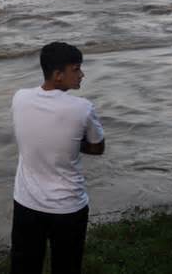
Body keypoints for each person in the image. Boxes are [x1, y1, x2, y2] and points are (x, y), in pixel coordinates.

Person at [10, 42, 105, 274]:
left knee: (24, 265)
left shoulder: (20, 97)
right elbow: (97, 147)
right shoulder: (82, 108)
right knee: (67, 265)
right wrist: (71, 143)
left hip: (26, 203)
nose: (82, 74)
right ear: (57, 75)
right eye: (76, 69)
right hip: (68, 207)